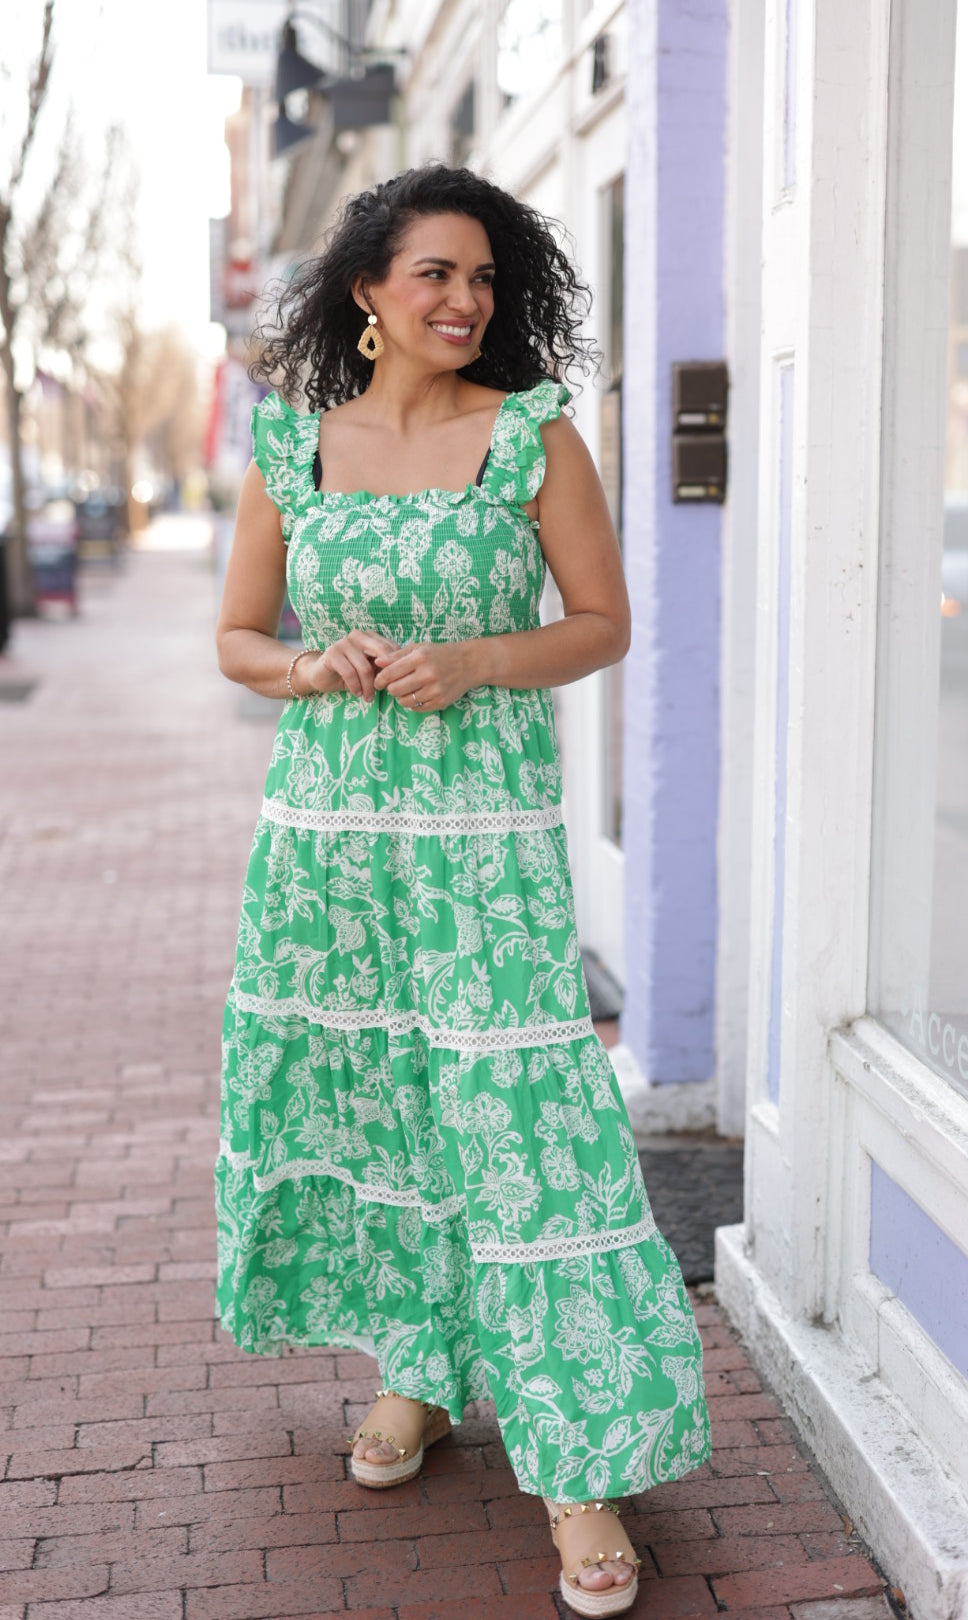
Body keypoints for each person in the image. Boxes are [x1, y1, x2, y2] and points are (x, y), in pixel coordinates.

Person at [214, 163, 709, 1616]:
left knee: (525, 1125)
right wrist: (311, 665)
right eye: (436, 273)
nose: (465, 300)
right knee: (383, 1105)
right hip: (328, 842)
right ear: (366, 291)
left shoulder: (533, 437)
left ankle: (581, 1466)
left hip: (484, 848)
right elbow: (239, 636)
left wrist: (482, 658)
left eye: (484, 278)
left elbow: (603, 623)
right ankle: (419, 1376)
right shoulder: (294, 446)